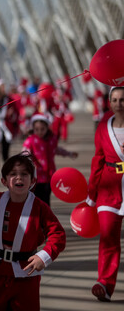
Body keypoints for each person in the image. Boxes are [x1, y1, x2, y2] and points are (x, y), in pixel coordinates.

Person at [0, 153, 66, 310]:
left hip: (27, 272)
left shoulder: (39, 207)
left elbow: (58, 235)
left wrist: (43, 257)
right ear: (4, 181)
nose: (19, 178)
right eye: (13, 174)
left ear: (33, 181)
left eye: (24, 174)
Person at [87, 86, 124, 302]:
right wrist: (91, 193)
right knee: (108, 235)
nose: (119, 103)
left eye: (123, 99)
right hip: (109, 188)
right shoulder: (103, 127)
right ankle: (105, 284)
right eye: (116, 100)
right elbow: (97, 160)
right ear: (109, 102)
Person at [22, 114, 78, 205]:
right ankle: (36, 216)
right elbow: (25, 153)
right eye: (37, 129)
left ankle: (45, 216)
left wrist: (69, 154)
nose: (39, 132)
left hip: (50, 175)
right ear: (33, 129)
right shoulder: (30, 140)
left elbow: (57, 150)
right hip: (36, 176)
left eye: (42, 129)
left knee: (46, 198)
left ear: (47, 128)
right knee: (36, 199)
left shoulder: (51, 140)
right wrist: (29, 162)